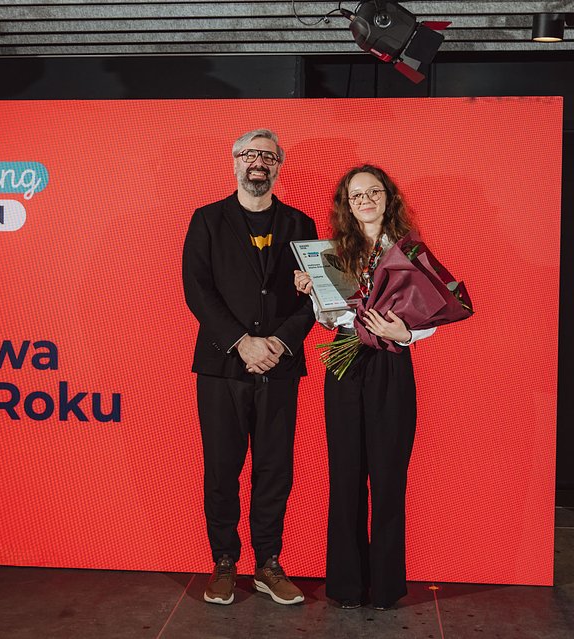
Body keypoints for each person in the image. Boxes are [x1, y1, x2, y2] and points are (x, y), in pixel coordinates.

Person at [182, 129, 318, 605]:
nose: (257, 162)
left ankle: (268, 563)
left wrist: (278, 342)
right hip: (222, 366)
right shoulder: (207, 220)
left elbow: (316, 294)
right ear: (234, 161)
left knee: (274, 468)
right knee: (222, 468)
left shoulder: (301, 223)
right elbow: (197, 289)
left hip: (280, 365)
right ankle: (224, 561)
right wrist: (242, 342)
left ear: (279, 166)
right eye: (249, 154)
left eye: (267, 156)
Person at [293, 164, 434, 610]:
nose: (366, 200)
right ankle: (347, 586)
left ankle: (387, 587)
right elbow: (330, 319)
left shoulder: (409, 251)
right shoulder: (333, 253)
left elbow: (433, 310)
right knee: (346, 475)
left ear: (388, 198)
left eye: (373, 192)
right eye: (356, 196)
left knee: (389, 477)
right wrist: (313, 292)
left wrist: (405, 334)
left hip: (391, 361)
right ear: (347, 206)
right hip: (345, 361)